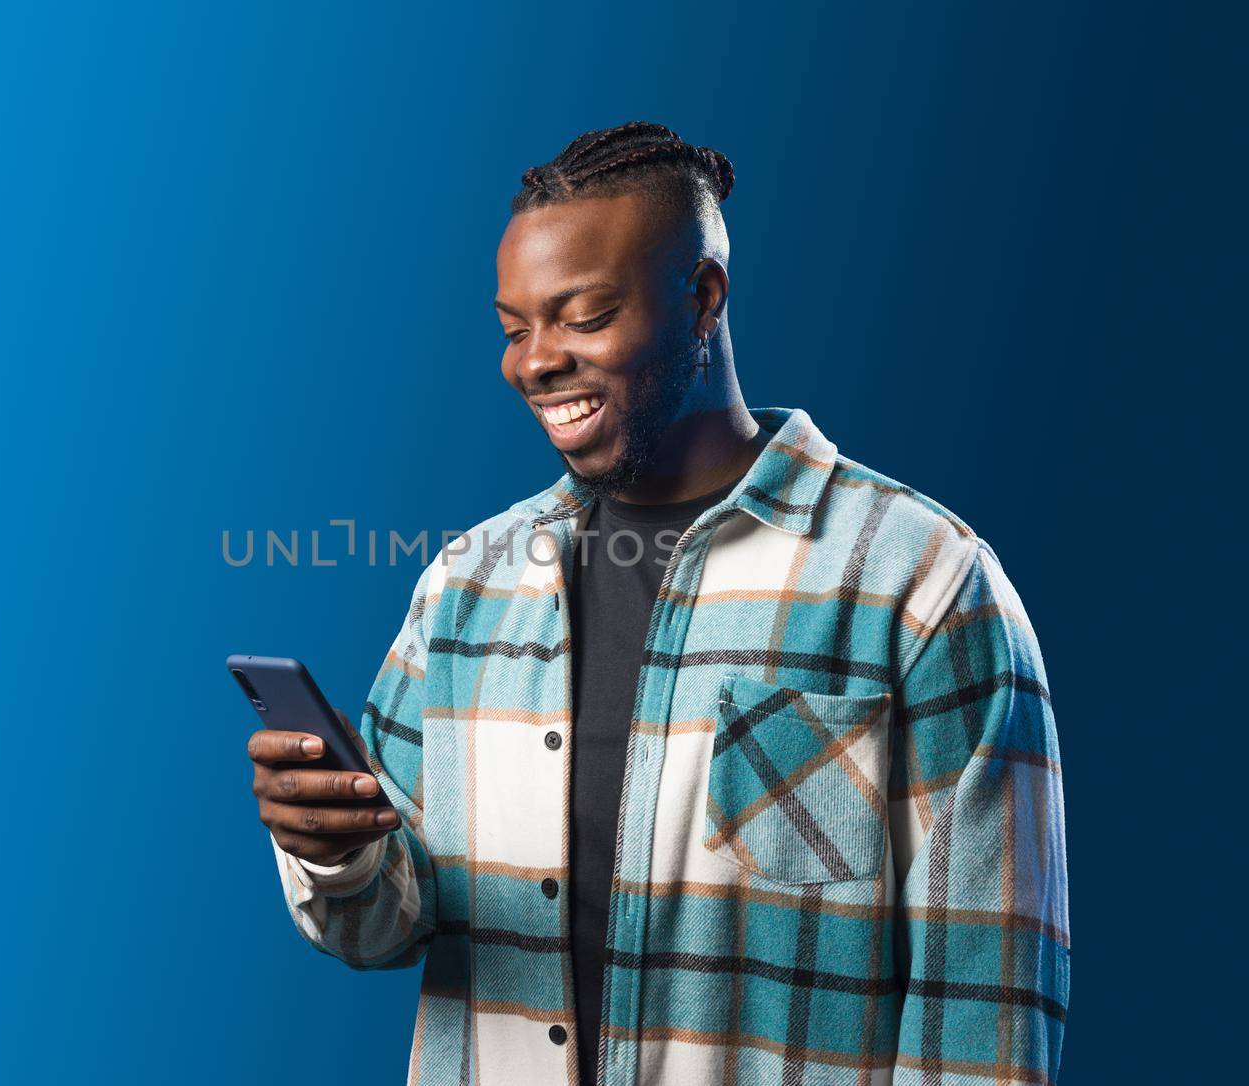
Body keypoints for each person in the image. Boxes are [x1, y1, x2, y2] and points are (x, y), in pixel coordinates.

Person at [246, 121, 1069, 1086]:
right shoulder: (467, 587)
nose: (535, 361)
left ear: (703, 299)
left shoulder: (918, 582)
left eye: (584, 316)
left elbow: (989, 1009)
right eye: (515, 329)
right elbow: (384, 928)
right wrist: (334, 853)